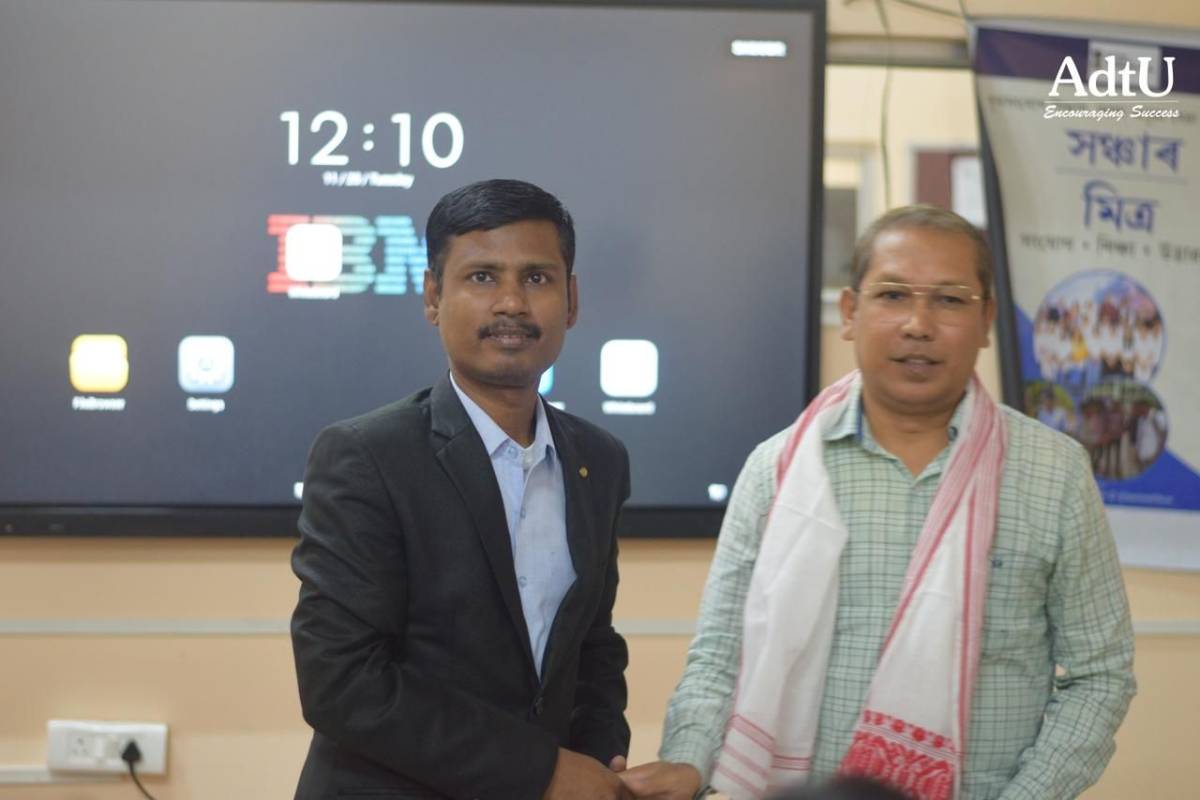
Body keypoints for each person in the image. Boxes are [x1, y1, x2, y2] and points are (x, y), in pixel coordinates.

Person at [621, 206, 1135, 800]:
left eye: (950, 300)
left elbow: (1099, 675)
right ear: (850, 311)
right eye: (893, 295)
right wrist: (688, 761)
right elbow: (719, 656)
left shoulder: (1054, 473)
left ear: (986, 320)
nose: (918, 324)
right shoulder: (777, 469)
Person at [291, 179, 633, 799]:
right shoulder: (366, 456)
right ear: (432, 296)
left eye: (537, 278)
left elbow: (594, 649)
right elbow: (343, 683)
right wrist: (542, 771)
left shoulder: (599, 461)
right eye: (482, 277)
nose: (512, 303)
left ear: (571, 300)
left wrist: (597, 766)